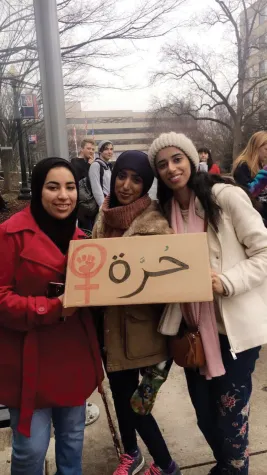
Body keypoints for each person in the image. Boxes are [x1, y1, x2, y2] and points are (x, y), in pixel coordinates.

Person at [148, 132, 267, 475]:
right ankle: (227, 466)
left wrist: (226, 281)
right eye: (162, 164)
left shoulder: (224, 196)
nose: (171, 169)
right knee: (204, 415)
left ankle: (233, 468)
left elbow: (262, 252)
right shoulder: (165, 211)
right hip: (194, 332)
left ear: (190, 159)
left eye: (177, 159)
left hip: (234, 334)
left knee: (232, 421)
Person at [0, 157, 103, 475]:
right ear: (37, 190)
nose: (64, 196)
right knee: (30, 450)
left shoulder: (84, 242)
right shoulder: (9, 235)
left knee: (73, 441)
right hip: (26, 360)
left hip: (73, 358)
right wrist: (52, 307)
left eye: (70, 187)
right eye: (53, 187)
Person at [92, 150, 181, 475]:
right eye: (121, 176)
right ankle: (131, 452)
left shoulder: (155, 225)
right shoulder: (105, 215)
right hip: (109, 327)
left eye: (136, 179)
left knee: (138, 404)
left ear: (146, 186)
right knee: (119, 392)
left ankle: (167, 464)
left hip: (142, 332)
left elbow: (169, 284)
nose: (126, 185)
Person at [233, 131, 267, 224]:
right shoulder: (242, 166)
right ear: (256, 147)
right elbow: (247, 194)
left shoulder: (260, 165)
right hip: (254, 218)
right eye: (266, 149)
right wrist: (264, 177)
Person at [89, 140, 113, 207]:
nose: (109, 152)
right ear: (100, 151)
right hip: (102, 206)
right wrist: (103, 207)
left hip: (109, 203)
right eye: (106, 149)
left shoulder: (109, 166)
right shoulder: (96, 165)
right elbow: (96, 189)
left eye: (111, 149)